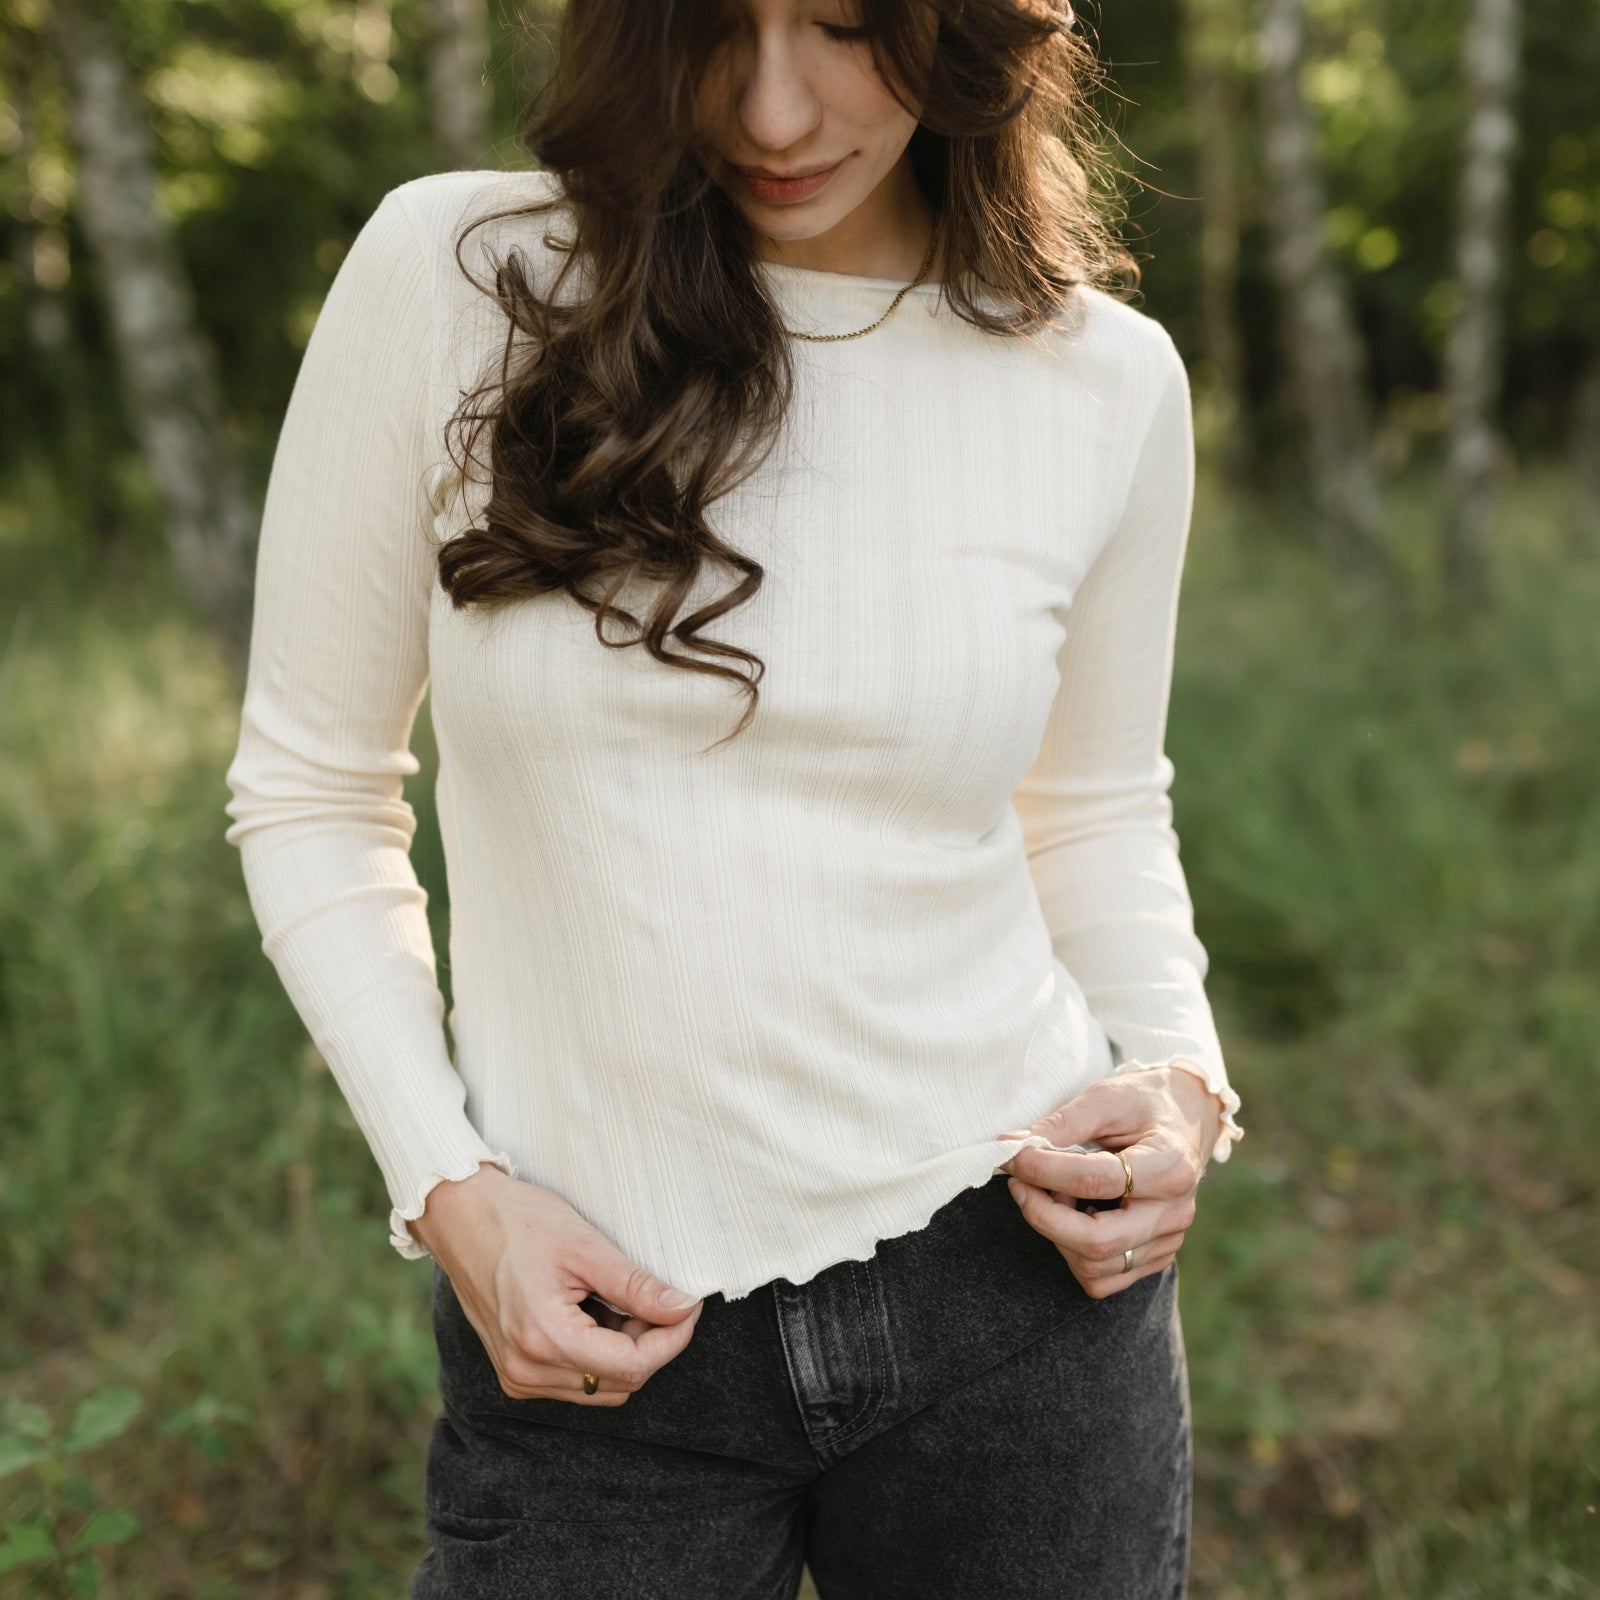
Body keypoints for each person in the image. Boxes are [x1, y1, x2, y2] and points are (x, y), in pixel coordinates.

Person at [222, 0, 1245, 1593]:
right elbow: (311, 791)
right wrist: (452, 1192)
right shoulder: (457, 276)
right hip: (594, 1332)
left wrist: (1179, 1078)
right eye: (712, 24)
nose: (772, 112)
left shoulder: (1106, 378)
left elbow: (1097, 805)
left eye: (846, 24)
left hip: (1017, 1303)